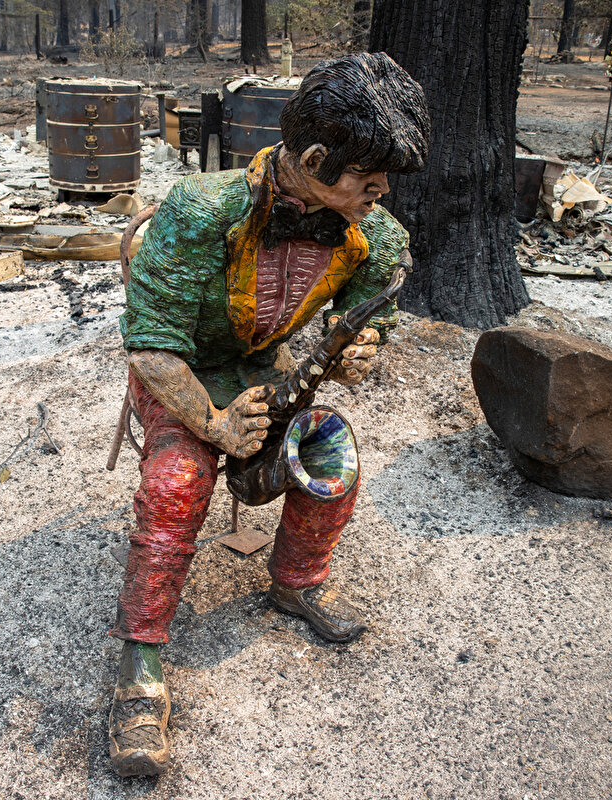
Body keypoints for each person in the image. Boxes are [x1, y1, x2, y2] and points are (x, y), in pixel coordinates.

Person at [109, 52, 429, 777]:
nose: (380, 194)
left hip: (275, 376)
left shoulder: (378, 240)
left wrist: (361, 347)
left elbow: (370, 317)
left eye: (386, 181)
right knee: (176, 484)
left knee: (332, 459)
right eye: (367, 179)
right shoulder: (202, 208)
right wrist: (215, 425)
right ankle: (141, 661)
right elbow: (153, 348)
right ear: (314, 158)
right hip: (189, 376)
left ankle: (297, 579)